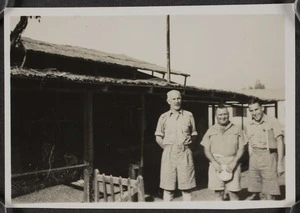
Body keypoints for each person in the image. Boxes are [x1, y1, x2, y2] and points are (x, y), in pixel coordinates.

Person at [154, 90, 197, 201]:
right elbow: (158, 137)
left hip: (185, 152)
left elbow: (194, 134)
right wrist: (168, 148)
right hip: (169, 153)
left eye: (178, 98)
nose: (177, 101)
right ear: (168, 101)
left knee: (187, 187)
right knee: (168, 188)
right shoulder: (163, 117)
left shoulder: (189, 115)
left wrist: (186, 148)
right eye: (173, 99)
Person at [200, 105, 245, 200]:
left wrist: (234, 162)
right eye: (220, 115)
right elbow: (206, 149)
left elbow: (241, 148)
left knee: (234, 193)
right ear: (216, 116)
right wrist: (214, 162)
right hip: (216, 163)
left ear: (229, 115)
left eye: (225, 114)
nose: (223, 117)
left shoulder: (237, 129)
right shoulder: (211, 130)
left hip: (233, 163)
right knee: (218, 193)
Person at [246, 98, 284, 200]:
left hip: (269, 156)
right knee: (258, 192)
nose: (254, 113)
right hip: (254, 158)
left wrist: (280, 164)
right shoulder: (249, 124)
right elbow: (250, 143)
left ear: (262, 108)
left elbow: (280, 141)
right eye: (251, 110)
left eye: (256, 109)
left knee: (270, 193)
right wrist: (251, 158)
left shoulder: (272, 121)